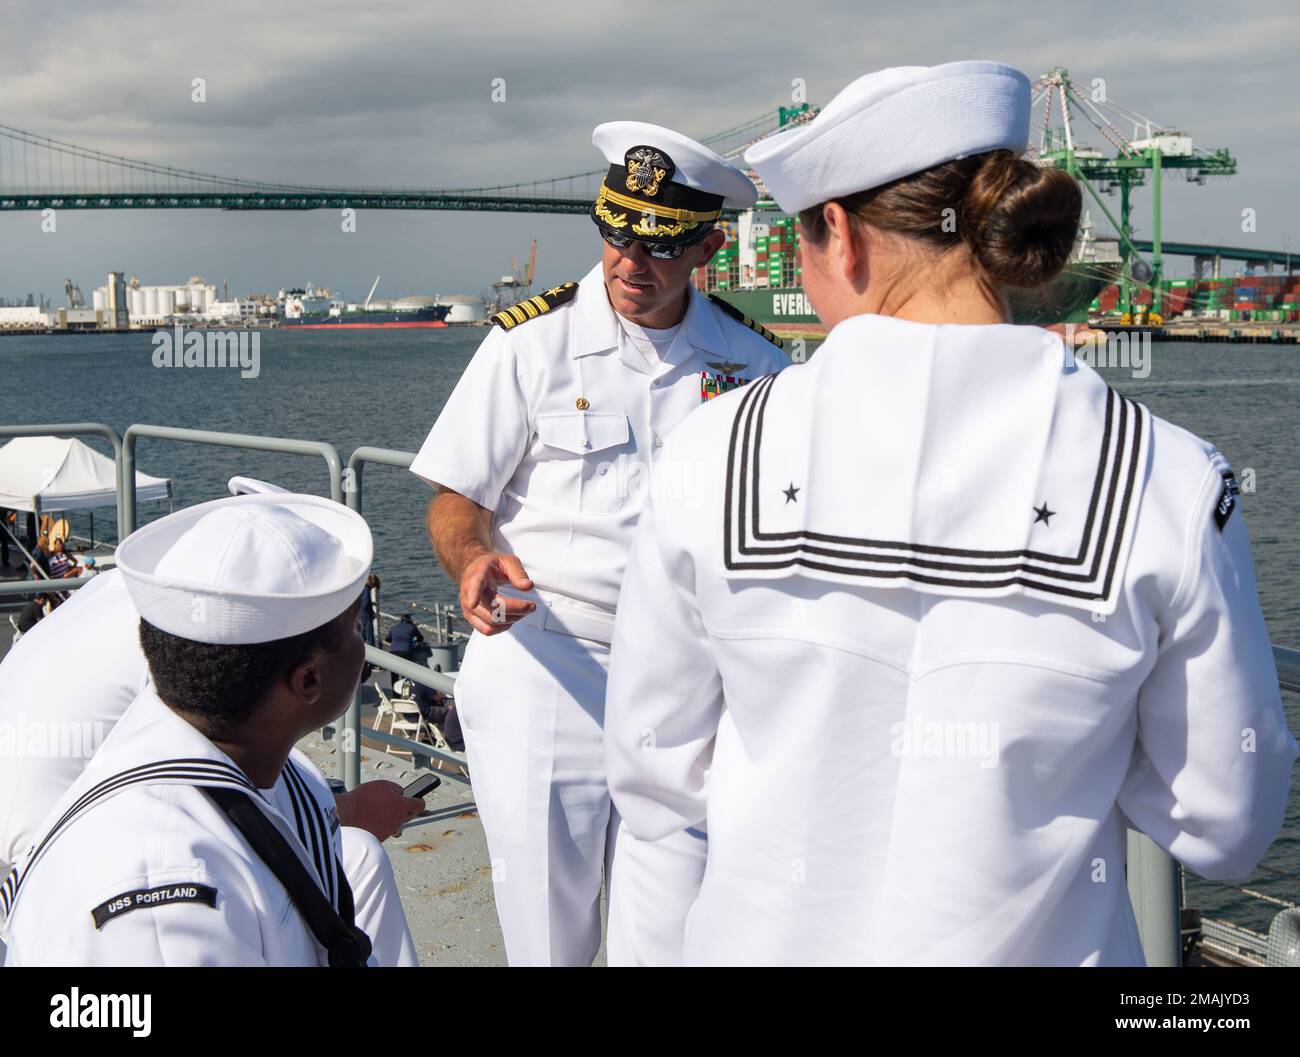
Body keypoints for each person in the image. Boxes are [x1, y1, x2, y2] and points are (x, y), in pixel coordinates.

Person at [603, 61, 1299, 967]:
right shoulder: (1168, 477)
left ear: (841, 238)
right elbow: (1226, 821)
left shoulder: (708, 456)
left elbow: (653, 770)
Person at [411, 121, 789, 967]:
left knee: (682, 937)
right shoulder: (529, 342)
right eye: (615, 232)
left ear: (707, 247)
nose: (628, 260)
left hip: (696, 684)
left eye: (658, 243)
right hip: (548, 652)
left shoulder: (758, 367)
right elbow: (455, 498)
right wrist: (473, 558)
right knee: (551, 935)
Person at [0, 482, 425, 966]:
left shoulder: (242, 743)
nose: (362, 643)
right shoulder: (165, 897)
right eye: (354, 627)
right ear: (309, 680)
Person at [383, 613, 424, 690]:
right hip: (406, 652)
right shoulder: (412, 627)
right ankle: (405, 694)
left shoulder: (394, 627)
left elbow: (387, 639)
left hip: (393, 652)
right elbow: (420, 638)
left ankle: (395, 694)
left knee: (394, 675)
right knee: (406, 674)